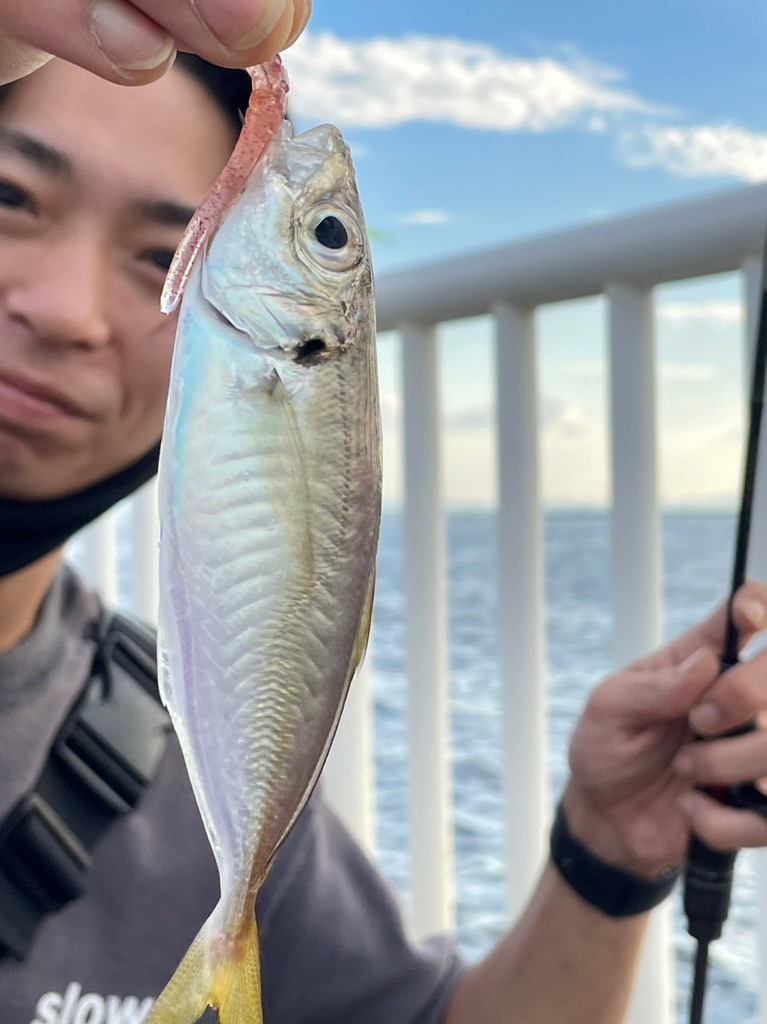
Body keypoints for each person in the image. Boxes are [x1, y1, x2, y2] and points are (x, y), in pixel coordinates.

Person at [1, 39, 767, 1024]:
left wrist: (604, 854)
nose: (65, 313)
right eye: (11, 197)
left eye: (160, 254)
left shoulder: (174, 761)